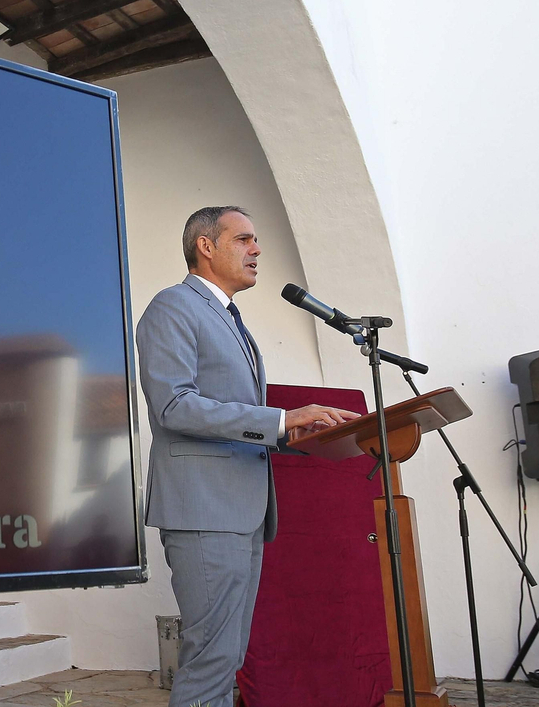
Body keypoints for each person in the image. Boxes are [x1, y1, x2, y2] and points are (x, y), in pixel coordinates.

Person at [136, 206, 359, 707]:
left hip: (241, 513)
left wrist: (294, 430)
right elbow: (173, 405)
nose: (257, 249)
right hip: (205, 511)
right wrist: (280, 420)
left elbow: (232, 413)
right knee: (210, 660)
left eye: (255, 241)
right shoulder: (173, 307)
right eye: (244, 239)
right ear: (206, 247)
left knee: (227, 657)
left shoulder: (228, 317)